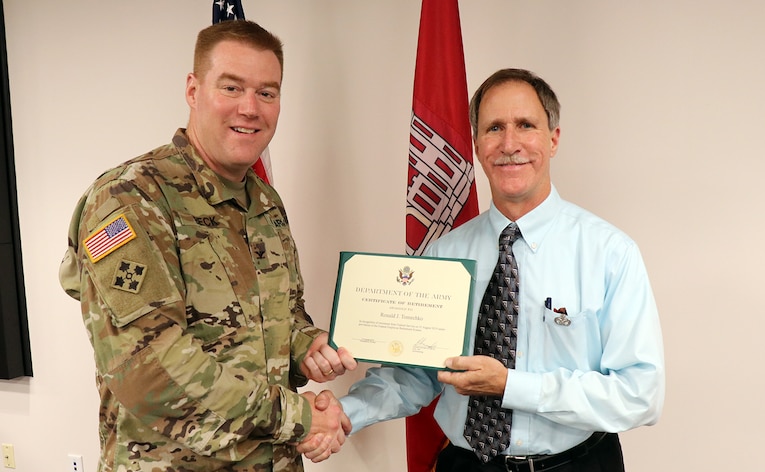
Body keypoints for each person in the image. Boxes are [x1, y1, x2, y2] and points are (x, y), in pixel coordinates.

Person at [319, 69, 665, 471]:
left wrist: (511, 386)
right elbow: (417, 376)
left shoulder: (609, 253)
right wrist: (342, 413)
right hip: (466, 465)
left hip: (576, 464)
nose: (509, 143)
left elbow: (641, 393)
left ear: (553, 140)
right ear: (477, 144)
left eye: (526, 126)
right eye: (494, 128)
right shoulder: (444, 255)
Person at [58, 20, 355, 471]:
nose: (250, 108)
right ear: (193, 90)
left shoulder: (264, 202)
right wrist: (299, 417)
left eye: (267, 93)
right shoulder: (131, 198)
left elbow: (275, 320)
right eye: (232, 87)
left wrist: (306, 347)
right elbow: (150, 370)